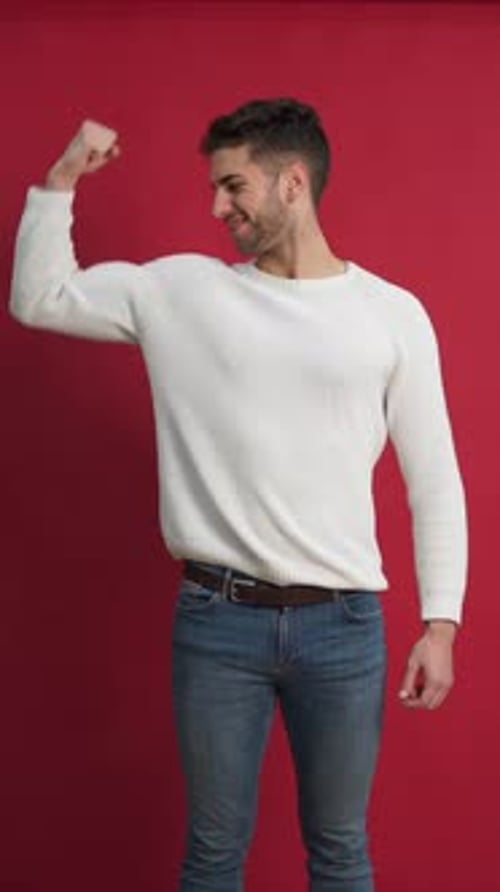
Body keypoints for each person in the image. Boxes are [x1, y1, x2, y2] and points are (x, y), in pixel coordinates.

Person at [9, 98, 467, 892]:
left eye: (232, 186)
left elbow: (435, 478)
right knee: (214, 857)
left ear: (293, 183)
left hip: (345, 627)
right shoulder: (182, 293)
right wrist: (59, 182)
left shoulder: (392, 316)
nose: (216, 207)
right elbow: (38, 299)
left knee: (341, 853)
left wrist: (442, 621)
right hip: (217, 624)